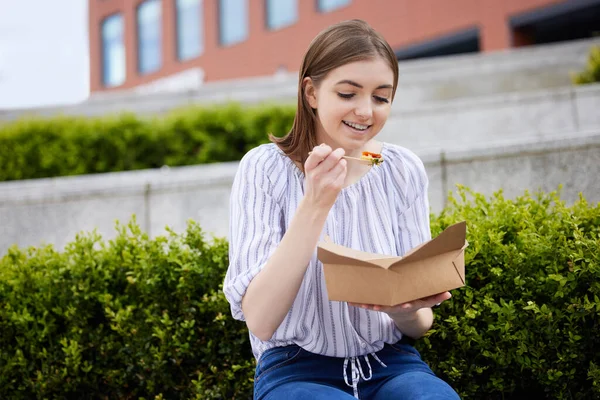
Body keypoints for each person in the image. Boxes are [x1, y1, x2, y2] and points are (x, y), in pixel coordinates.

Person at [223, 19, 460, 400]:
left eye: (382, 98)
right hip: (294, 368)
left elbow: (419, 325)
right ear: (311, 92)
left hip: (390, 362)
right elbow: (262, 321)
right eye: (348, 94)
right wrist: (315, 203)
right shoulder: (264, 168)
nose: (366, 111)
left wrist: (403, 308)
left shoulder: (399, 168)